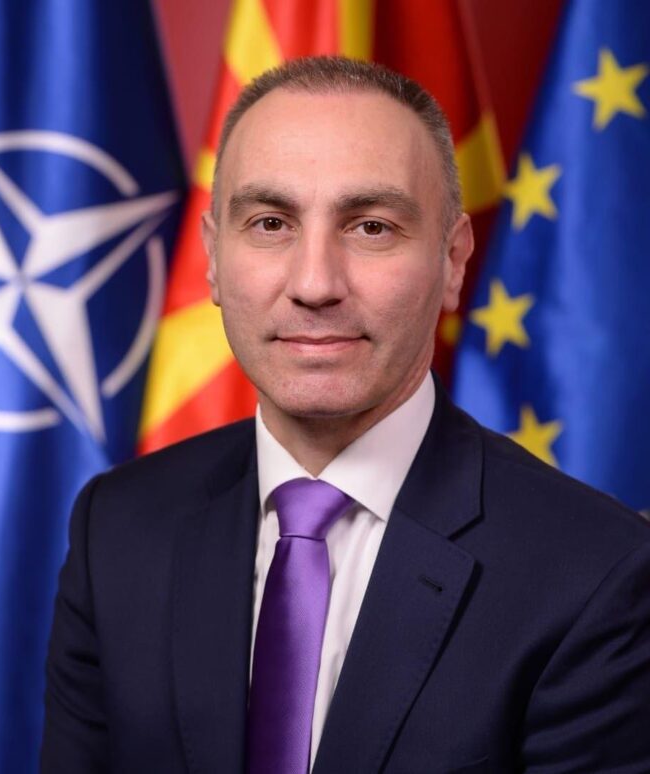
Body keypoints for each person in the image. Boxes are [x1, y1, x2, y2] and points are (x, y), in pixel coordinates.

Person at [40, 57, 650, 773]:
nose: (314, 283)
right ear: (212, 259)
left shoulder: (596, 574)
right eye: (270, 223)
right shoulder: (117, 527)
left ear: (453, 261)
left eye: (371, 227)